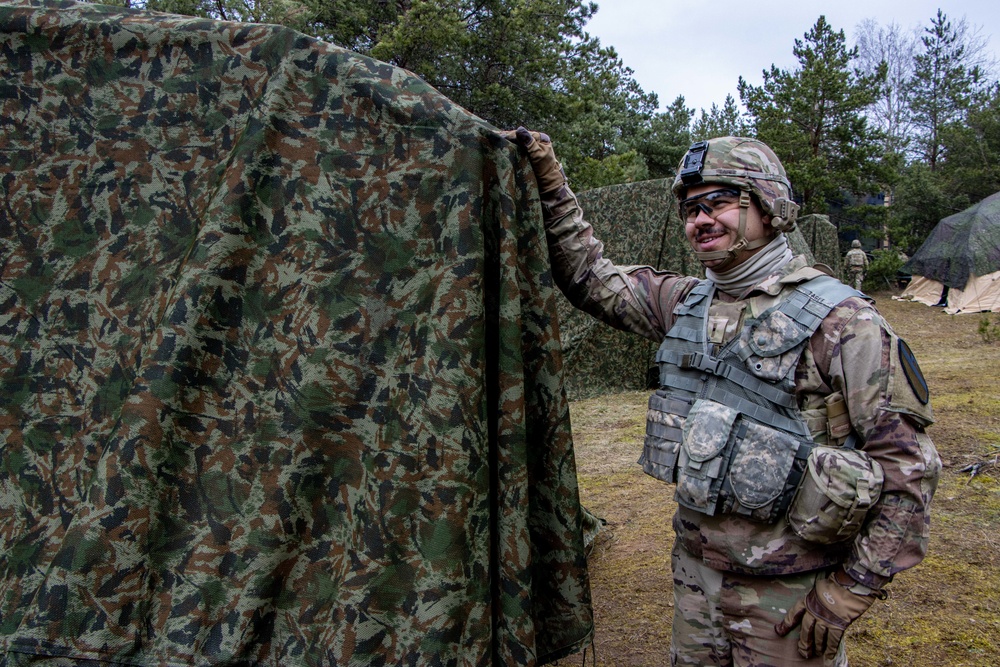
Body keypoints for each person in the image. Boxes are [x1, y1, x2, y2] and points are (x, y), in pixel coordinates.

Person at [504, 128, 940, 667]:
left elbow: (908, 468)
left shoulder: (844, 322)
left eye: (719, 202)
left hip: (790, 597)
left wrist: (852, 588)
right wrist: (550, 179)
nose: (700, 220)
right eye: (690, 209)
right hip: (696, 580)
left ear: (769, 206)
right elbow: (589, 277)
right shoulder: (685, 303)